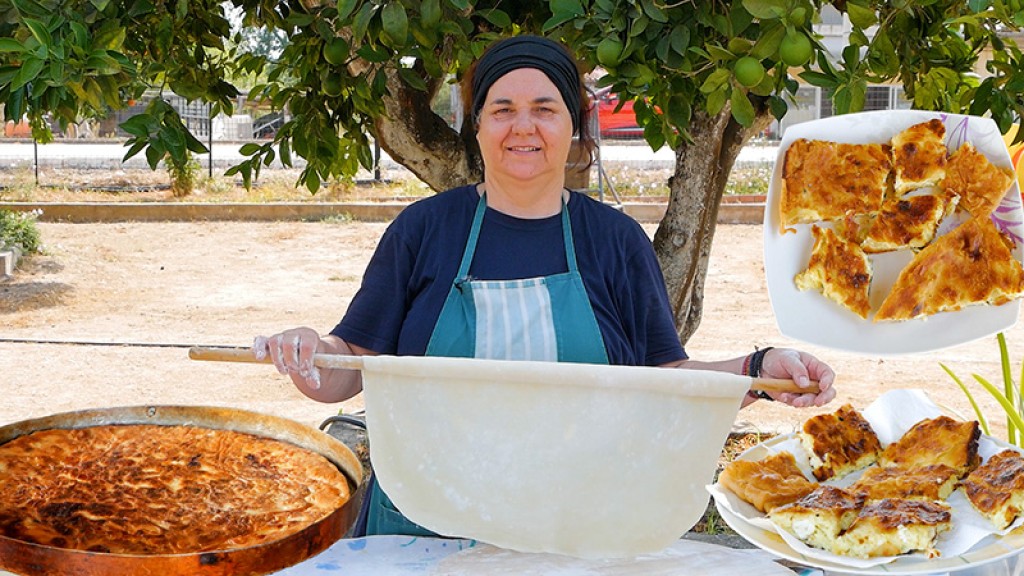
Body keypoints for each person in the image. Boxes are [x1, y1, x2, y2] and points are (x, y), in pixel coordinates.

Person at [255, 34, 836, 537]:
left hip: (573, 529)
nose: (523, 126)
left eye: (544, 108)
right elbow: (351, 364)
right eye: (502, 109)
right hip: (425, 526)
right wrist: (311, 351)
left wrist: (759, 367)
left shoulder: (614, 241)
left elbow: (668, 380)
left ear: (573, 125)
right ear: (477, 125)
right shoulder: (425, 230)